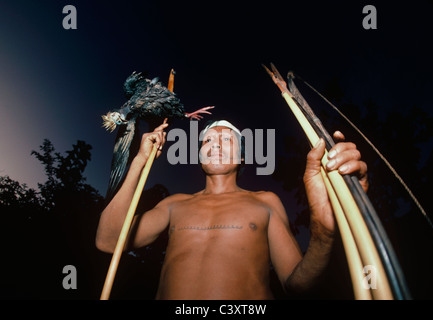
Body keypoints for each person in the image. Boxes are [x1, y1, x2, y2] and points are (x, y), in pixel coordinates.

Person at [96, 119, 368, 299]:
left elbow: (297, 284)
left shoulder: (265, 202)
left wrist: (324, 232)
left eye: (226, 140)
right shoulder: (174, 204)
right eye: (207, 141)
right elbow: (108, 240)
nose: (214, 144)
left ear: (241, 157)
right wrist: (140, 161)